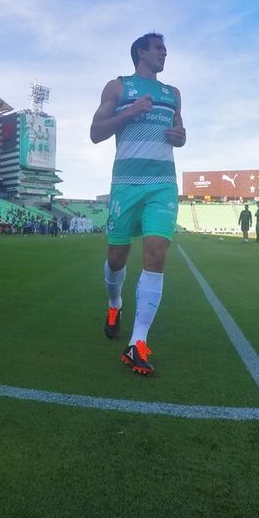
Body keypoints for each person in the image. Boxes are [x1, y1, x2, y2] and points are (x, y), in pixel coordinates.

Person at [89, 32, 186, 376]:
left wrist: (180, 137)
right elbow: (96, 132)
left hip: (162, 184)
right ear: (141, 53)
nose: (165, 53)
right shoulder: (118, 87)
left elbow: (180, 133)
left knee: (156, 254)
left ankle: (137, 342)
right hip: (126, 185)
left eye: (165, 49)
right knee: (117, 258)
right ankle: (114, 303)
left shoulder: (172, 94)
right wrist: (130, 112)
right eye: (159, 48)